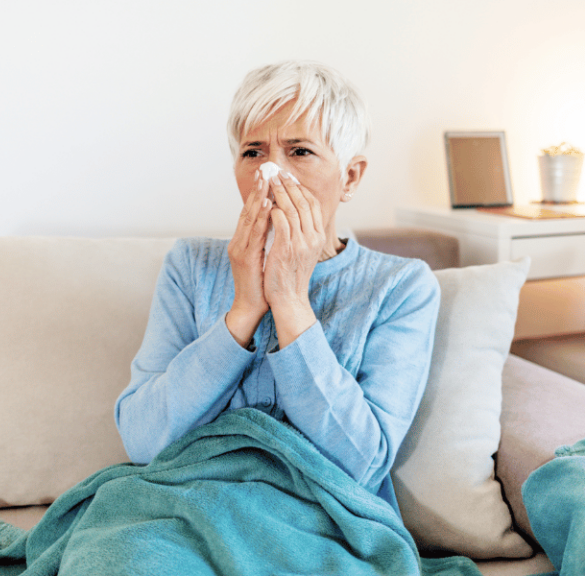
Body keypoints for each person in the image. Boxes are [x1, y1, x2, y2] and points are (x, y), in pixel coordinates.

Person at [114, 60, 440, 513]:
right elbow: (142, 440)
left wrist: (289, 302)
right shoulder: (190, 266)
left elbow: (363, 463)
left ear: (350, 176)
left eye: (299, 151)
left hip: (315, 525)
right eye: (253, 152)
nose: (270, 172)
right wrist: (244, 310)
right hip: (183, 509)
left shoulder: (401, 287)